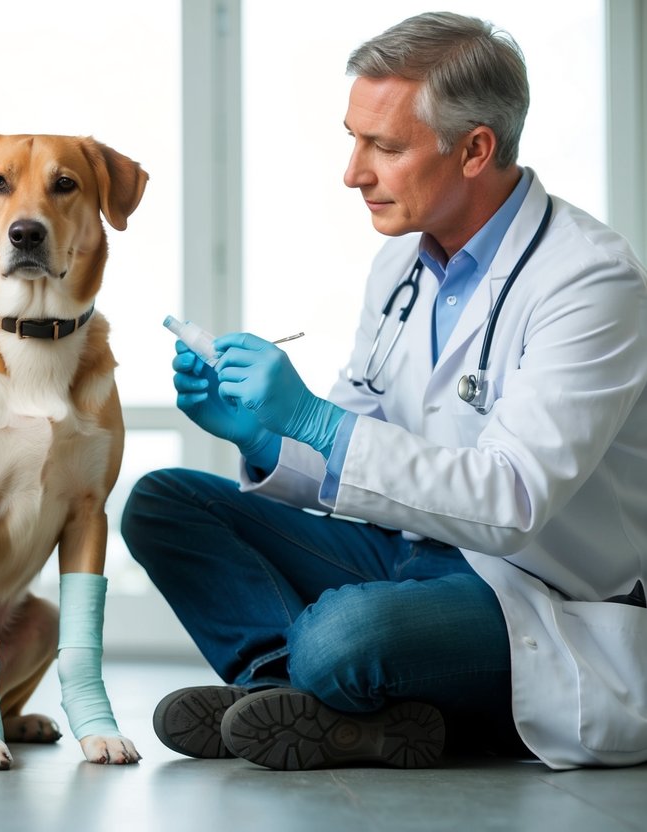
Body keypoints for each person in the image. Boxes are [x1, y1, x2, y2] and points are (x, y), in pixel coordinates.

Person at [123, 11, 647, 771]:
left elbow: (509, 502)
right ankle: (293, 697)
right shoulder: (401, 267)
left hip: (533, 592)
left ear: (475, 149)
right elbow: (356, 443)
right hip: (404, 550)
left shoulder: (587, 280)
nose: (353, 172)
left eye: (385, 146)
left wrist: (310, 416)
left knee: (344, 637)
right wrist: (260, 436)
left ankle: (315, 679)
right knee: (165, 504)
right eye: (352, 138)